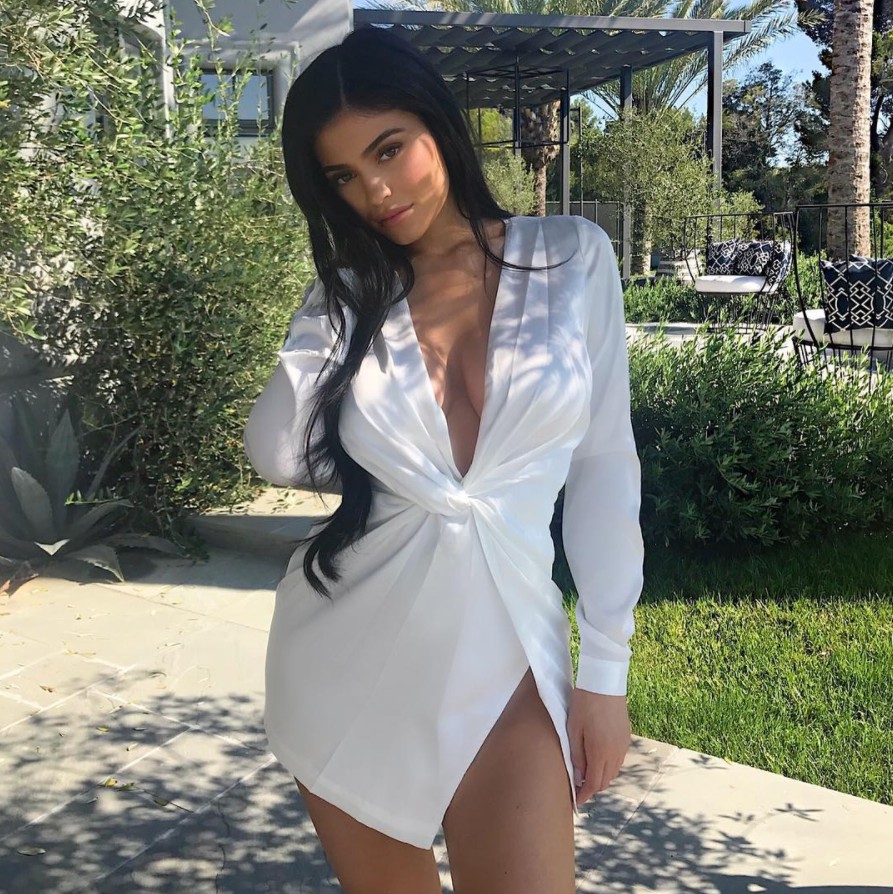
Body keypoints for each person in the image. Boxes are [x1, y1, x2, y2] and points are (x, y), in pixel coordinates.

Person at [243, 24, 644, 894]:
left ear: (440, 125)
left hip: (509, 650)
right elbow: (275, 449)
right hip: (349, 652)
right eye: (342, 176)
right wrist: (329, 302)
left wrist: (605, 676)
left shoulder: (571, 257)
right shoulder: (354, 299)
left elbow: (604, 466)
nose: (376, 191)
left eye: (389, 149)